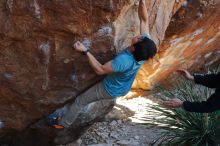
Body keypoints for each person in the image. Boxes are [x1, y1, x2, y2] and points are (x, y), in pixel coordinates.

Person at [49, 0, 157, 129]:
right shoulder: (145, 50)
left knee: (80, 101)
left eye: (139, 39)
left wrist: (85, 51)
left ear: (134, 48)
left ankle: (62, 123)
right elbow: (144, 21)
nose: (139, 36)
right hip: (124, 85)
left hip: (110, 89)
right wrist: (142, 2)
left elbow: (100, 70)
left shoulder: (124, 61)